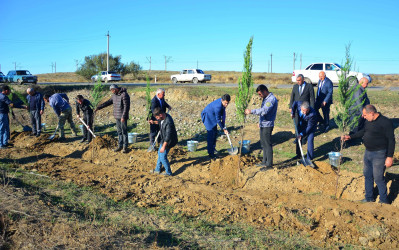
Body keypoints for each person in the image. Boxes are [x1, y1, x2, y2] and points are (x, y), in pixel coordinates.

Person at [342, 105, 395, 204]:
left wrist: (389, 157)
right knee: (368, 175)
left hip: (379, 154)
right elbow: (363, 131)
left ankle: (384, 200)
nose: (363, 116)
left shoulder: (385, 122)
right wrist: (350, 137)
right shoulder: (368, 121)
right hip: (368, 152)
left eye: (365, 115)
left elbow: (391, 140)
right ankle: (369, 197)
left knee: (378, 177)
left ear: (372, 113)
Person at [245, 85, 278, 170]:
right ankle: (264, 161)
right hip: (263, 124)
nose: (259, 96)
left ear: (264, 91)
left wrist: (251, 111)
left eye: (260, 94)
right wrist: (260, 122)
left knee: (267, 144)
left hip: (268, 125)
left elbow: (264, 111)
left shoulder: (271, 99)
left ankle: (269, 165)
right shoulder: (265, 98)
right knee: (263, 144)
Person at [95, 84, 130, 153]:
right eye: (111, 90)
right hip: (117, 116)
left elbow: (127, 107)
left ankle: (125, 147)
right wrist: (99, 107)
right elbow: (108, 102)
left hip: (122, 117)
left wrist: (123, 116)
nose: (111, 92)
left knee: (124, 132)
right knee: (119, 132)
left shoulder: (124, 95)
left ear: (116, 89)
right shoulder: (114, 95)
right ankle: (120, 146)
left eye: (112, 90)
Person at [149, 107, 178, 176]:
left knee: (162, 156)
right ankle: (157, 170)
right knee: (160, 154)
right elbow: (159, 122)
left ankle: (168, 172)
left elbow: (168, 136)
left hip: (169, 141)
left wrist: (163, 147)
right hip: (164, 139)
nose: (157, 118)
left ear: (161, 115)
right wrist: (153, 122)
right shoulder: (162, 118)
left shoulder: (169, 122)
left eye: (157, 117)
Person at [201, 94, 230, 159]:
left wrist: (224, 124)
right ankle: (210, 153)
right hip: (207, 116)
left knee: (215, 132)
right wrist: (223, 129)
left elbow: (223, 114)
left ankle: (213, 148)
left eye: (227, 103)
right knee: (211, 134)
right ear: (222, 100)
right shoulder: (218, 107)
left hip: (212, 116)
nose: (226, 105)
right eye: (225, 103)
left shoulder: (222, 103)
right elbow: (218, 120)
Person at [292, 101, 317, 168]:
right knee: (298, 138)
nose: (305, 113)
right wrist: (292, 112)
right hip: (301, 124)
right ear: (301, 108)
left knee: (310, 140)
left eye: (307, 111)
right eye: (303, 111)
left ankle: (309, 158)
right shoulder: (298, 104)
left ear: (309, 109)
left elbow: (309, 127)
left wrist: (302, 134)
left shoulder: (312, 114)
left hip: (310, 127)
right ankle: (298, 155)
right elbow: (294, 103)